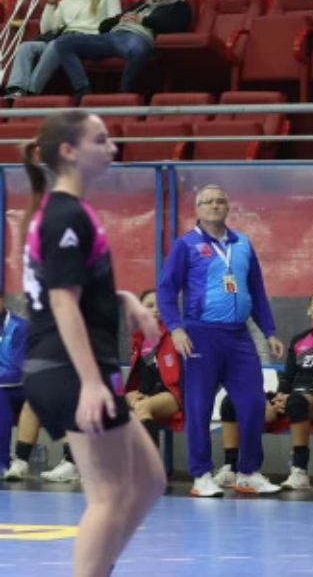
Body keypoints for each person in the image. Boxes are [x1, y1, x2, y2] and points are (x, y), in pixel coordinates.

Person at [18, 110, 164, 575]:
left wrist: (125, 298)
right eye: (99, 140)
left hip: (69, 368)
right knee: (109, 494)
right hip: (68, 370)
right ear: (69, 151)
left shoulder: (70, 213)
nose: (112, 147)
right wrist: (91, 383)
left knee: (149, 480)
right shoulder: (64, 215)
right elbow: (61, 302)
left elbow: (74, 289)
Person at [157, 183, 285, 498]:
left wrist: (269, 331)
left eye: (220, 201)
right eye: (208, 201)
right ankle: (201, 474)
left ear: (228, 208)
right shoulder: (185, 245)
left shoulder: (243, 244)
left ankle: (248, 472)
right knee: (199, 406)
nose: (214, 205)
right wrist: (175, 328)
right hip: (200, 335)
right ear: (197, 209)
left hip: (239, 336)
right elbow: (166, 289)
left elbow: (257, 290)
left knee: (253, 403)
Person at [216, 293, 313, 491]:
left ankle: (299, 471)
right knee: (231, 402)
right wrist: (279, 398)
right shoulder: (299, 341)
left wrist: (291, 398)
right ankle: (231, 468)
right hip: (293, 397)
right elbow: (288, 378)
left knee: (297, 402)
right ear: (309, 310)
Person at [39, 0, 192, 97]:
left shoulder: (180, 6)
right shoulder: (142, 3)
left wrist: (144, 21)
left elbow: (178, 26)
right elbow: (104, 27)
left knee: (139, 50)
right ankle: (82, 89)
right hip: (113, 36)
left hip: (138, 38)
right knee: (63, 42)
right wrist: (118, 19)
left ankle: (124, 93)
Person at [5, 0, 122, 100]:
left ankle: (31, 92)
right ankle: (17, 88)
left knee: (57, 44)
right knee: (26, 47)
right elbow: (46, 29)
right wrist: (52, 0)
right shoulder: (67, 0)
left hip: (90, 41)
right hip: (64, 39)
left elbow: (114, 22)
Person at [124, 289, 183, 445]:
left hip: (172, 395)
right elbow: (139, 376)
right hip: (146, 393)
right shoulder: (138, 339)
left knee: (142, 408)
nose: (156, 310)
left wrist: (146, 398)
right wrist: (131, 395)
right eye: (150, 306)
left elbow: (176, 378)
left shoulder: (175, 335)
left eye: (160, 305)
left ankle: (150, 461)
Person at [0, 293, 29, 475]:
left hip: (20, 389)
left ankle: (2, 461)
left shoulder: (19, 327)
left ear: (2, 300)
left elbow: (18, 370)